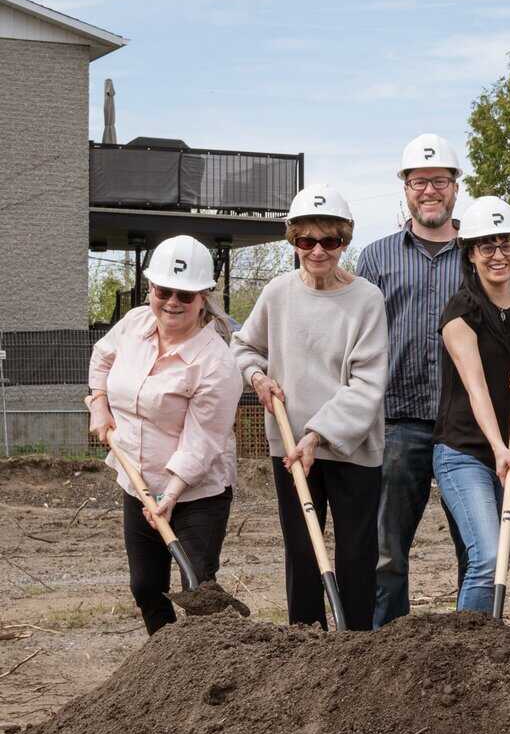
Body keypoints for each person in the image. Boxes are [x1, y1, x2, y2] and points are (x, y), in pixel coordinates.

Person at [232, 186, 388, 631]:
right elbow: (243, 347)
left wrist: (317, 436)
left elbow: (368, 383)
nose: (318, 251)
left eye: (330, 241)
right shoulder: (277, 294)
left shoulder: (367, 300)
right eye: (306, 241)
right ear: (293, 241)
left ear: (344, 242)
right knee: (302, 552)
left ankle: (356, 643)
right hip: (290, 445)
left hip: (351, 448)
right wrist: (257, 378)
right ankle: (304, 644)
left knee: (356, 553)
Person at [87, 235, 241, 634]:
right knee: (146, 587)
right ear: (151, 288)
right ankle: (166, 661)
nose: (172, 302)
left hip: (197, 494)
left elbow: (202, 441)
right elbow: (102, 357)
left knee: (198, 589)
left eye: (185, 295)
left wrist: (169, 496)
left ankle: (213, 658)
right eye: (163, 291)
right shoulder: (135, 323)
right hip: (137, 479)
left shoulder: (216, 362)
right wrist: (99, 403)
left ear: (203, 298)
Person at [357, 133, 467, 628]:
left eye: (439, 181)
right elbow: (358, 337)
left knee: (475, 545)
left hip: (465, 424)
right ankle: (386, 645)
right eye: (419, 182)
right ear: (405, 188)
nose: (429, 191)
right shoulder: (376, 258)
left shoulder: (479, 253)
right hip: (397, 421)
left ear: (455, 187)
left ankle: (474, 638)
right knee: (386, 550)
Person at [434, 197, 510, 614]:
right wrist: (499, 447)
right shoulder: (460, 311)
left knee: (499, 563)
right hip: (464, 452)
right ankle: (468, 646)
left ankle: (489, 644)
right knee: (486, 558)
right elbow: (476, 388)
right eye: (487, 246)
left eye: (506, 245)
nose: (498, 255)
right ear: (471, 254)